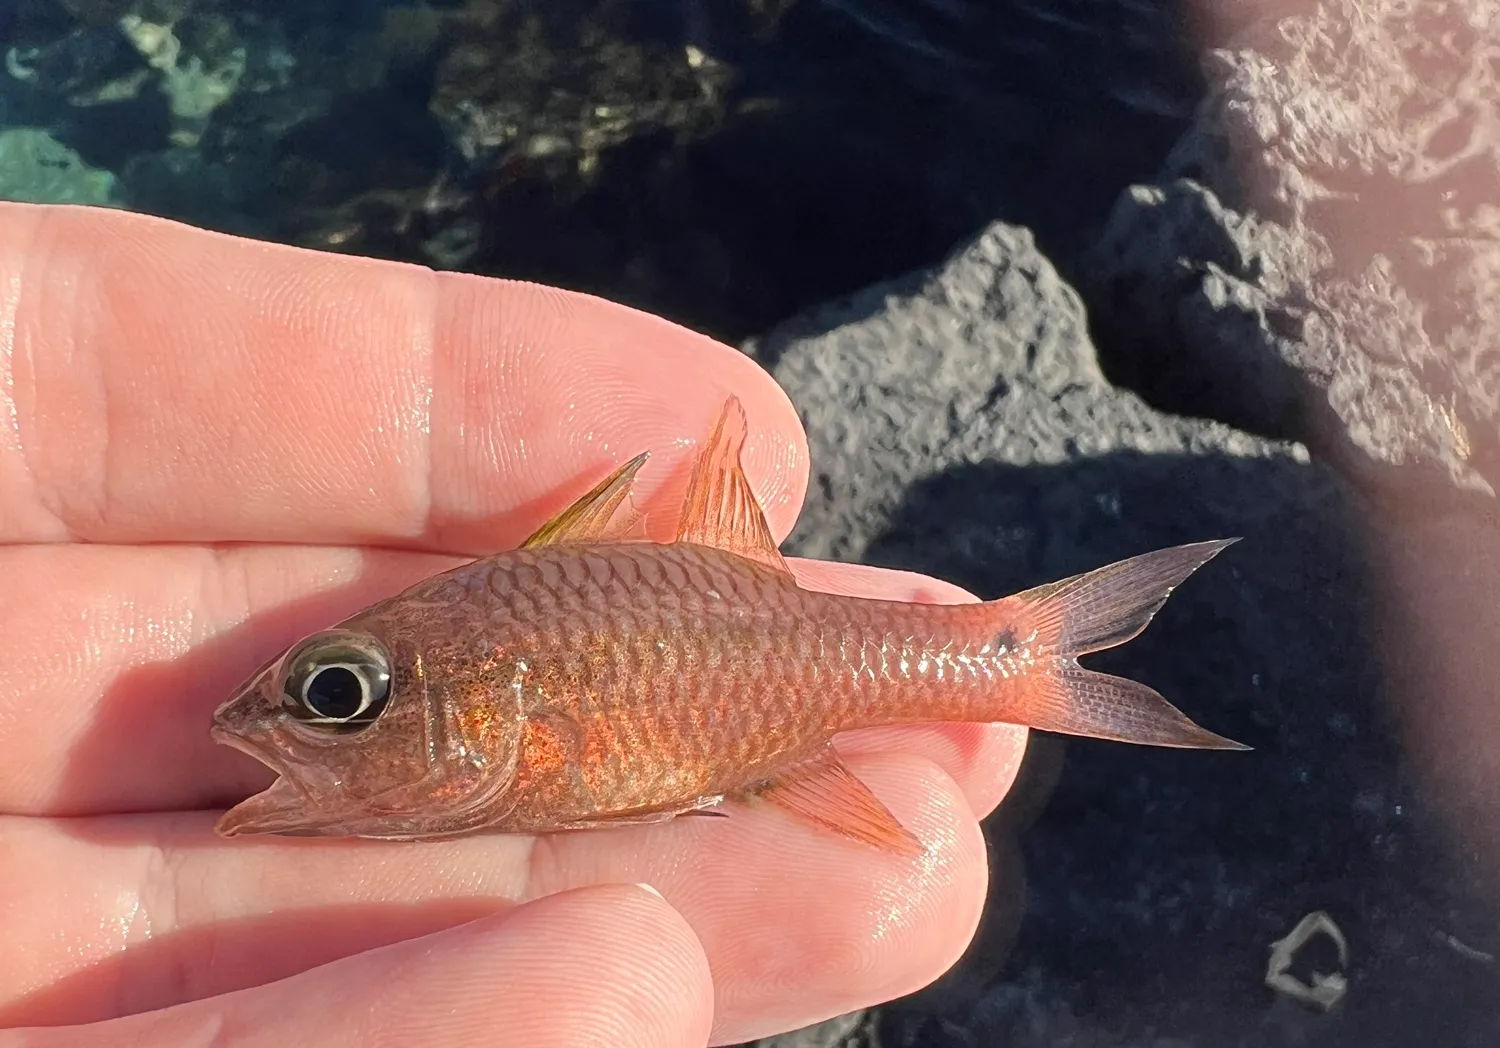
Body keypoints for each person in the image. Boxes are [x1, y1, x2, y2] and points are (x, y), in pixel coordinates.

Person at [0, 201, 1028, 1047]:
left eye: (340, 693)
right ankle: (1014, 659)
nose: (262, 731)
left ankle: (1014, 661)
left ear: (492, 698)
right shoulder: (496, 652)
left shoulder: (501, 649)